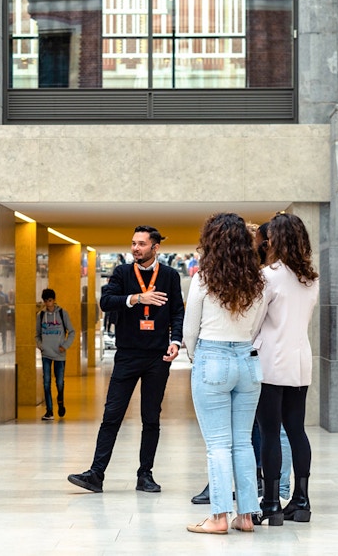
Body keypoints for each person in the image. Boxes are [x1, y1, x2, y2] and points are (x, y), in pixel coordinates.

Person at [68, 225, 184, 493]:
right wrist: (136, 298)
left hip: (157, 357)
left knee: (151, 418)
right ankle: (96, 474)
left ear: (155, 248)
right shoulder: (121, 272)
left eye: (141, 244)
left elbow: (177, 311)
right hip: (127, 355)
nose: (135, 248)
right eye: (133, 243)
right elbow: (106, 302)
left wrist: (176, 341)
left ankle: (145, 475)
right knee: (112, 415)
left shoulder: (169, 276)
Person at [185, 213, 265, 535]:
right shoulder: (258, 280)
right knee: (243, 443)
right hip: (247, 359)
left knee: (218, 444)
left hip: (212, 356)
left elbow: (190, 329)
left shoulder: (203, 278)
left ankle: (218, 517)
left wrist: (197, 356)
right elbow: (257, 326)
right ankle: (246, 516)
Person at [253, 212, 319, 526]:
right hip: (300, 361)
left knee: (269, 433)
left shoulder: (269, 276)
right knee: (296, 430)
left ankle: (270, 503)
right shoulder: (311, 278)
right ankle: (302, 500)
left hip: (270, 362)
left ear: (275, 240)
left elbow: (255, 321)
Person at [36, 288, 75, 420]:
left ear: (54, 300)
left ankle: (60, 402)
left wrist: (65, 346)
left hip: (59, 354)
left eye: (50, 300)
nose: (48, 303)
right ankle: (49, 411)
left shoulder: (63, 314)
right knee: (46, 382)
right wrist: (41, 346)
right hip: (46, 354)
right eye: (46, 301)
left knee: (59, 382)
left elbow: (72, 332)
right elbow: (37, 335)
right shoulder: (40, 316)